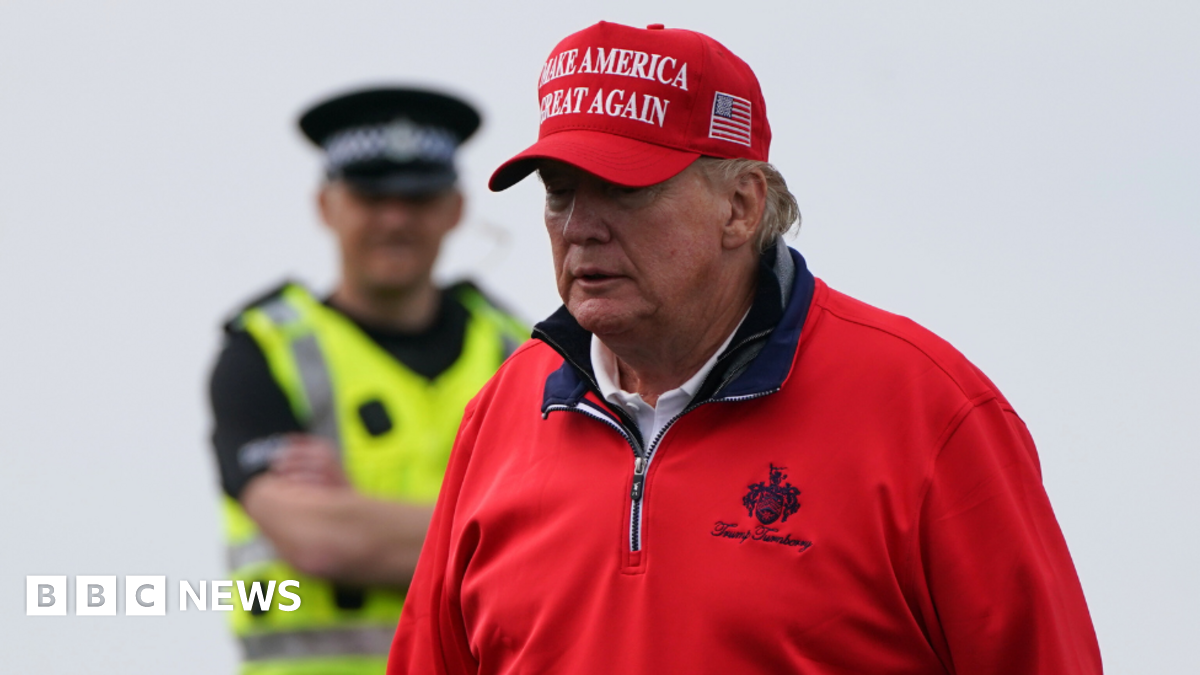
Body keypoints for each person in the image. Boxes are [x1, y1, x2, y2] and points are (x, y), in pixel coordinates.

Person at [387, 22, 1103, 675]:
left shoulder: (929, 413)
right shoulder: (503, 415)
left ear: (742, 205)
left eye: (622, 189)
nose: (580, 225)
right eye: (560, 191)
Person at [208, 87, 528, 675]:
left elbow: (586, 532)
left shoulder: (521, 352)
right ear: (326, 205)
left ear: (456, 208)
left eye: (420, 197)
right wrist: (511, 536)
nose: (395, 219)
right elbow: (318, 539)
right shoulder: (264, 351)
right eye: (370, 196)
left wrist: (357, 511)